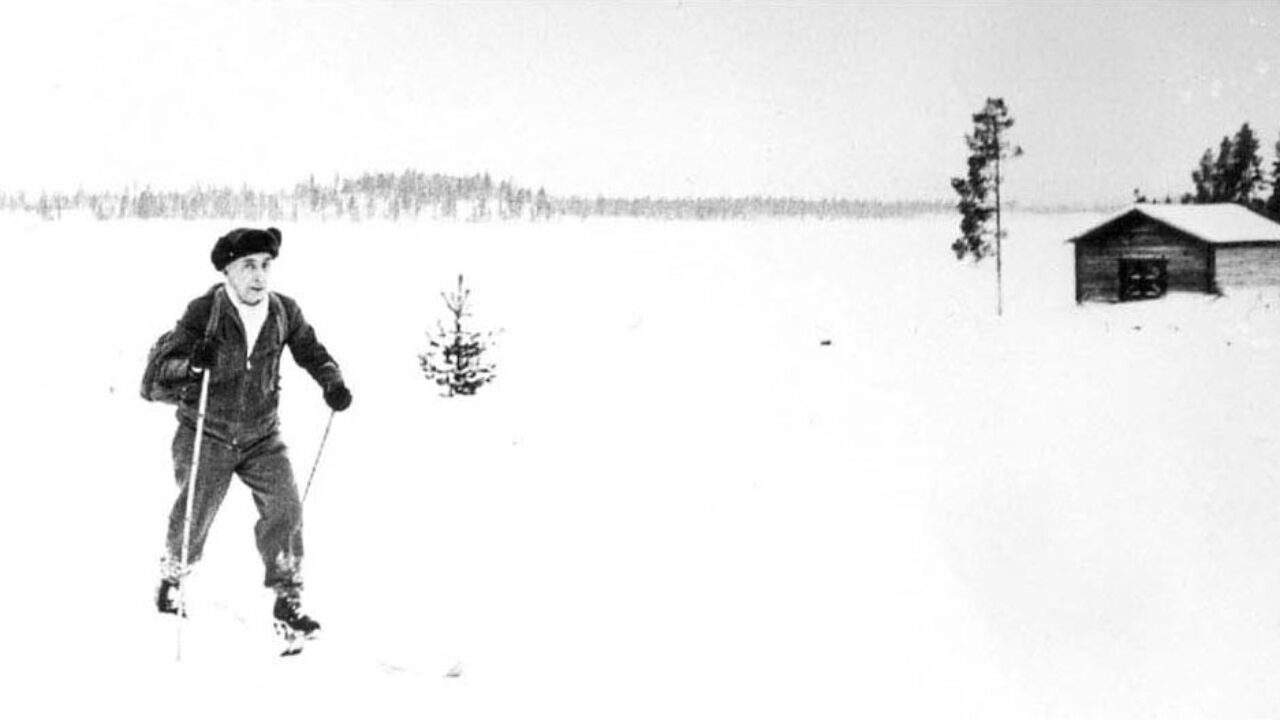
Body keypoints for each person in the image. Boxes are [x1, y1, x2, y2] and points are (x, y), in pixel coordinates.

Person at [148, 227, 352, 638]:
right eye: (248, 266)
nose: (259, 275)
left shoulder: (283, 311)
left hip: (262, 435)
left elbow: (311, 351)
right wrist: (191, 366)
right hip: (207, 431)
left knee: (286, 509)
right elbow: (156, 376)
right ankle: (172, 577)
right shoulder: (205, 311)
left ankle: (288, 601)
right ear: (228, 270)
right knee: (194, 514)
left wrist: (331, 381)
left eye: (265, 265)